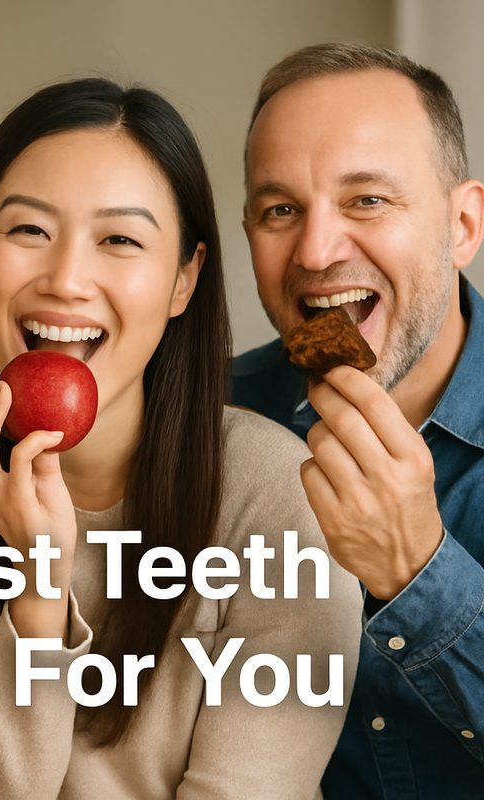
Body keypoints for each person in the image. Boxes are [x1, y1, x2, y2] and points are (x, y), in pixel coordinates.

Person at [0, 78, 362, 798]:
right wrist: (36, 592)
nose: (65, 279)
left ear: (184, 281)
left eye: (119, 239)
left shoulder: (279, 497)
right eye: (29, 230)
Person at [233, 42, 484, 797]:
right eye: (281, 210)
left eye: (367, 199)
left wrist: (419, 569)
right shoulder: (212, 422)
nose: (315, 249)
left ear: (464, 224)